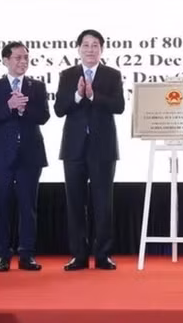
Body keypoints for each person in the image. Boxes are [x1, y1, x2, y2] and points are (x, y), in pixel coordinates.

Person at [54, 29, 125, 271]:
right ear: (79, 49)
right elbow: (59, 109)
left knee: (103, 203)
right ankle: (79, 255)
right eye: (86, 45)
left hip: (102, 149)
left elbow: (119, 106)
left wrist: (94, 96)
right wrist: (77, 95)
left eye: (95, 45)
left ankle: (103, 255)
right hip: (73, 149)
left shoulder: (112, 75)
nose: (90, 49)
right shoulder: (67, 75)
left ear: (101, 49)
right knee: (75, 203)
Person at [0, 41, 49, 271]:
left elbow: (44, 116)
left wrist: (24, 110)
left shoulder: (37, 86)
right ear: (5, 60)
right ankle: (3, 255)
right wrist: (9, 107)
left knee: (28, 206)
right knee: (2, 205)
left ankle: (26, 254)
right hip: (1, 155)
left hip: (31, 154)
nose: (22, 62)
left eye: (25, 58)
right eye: (18, 58)